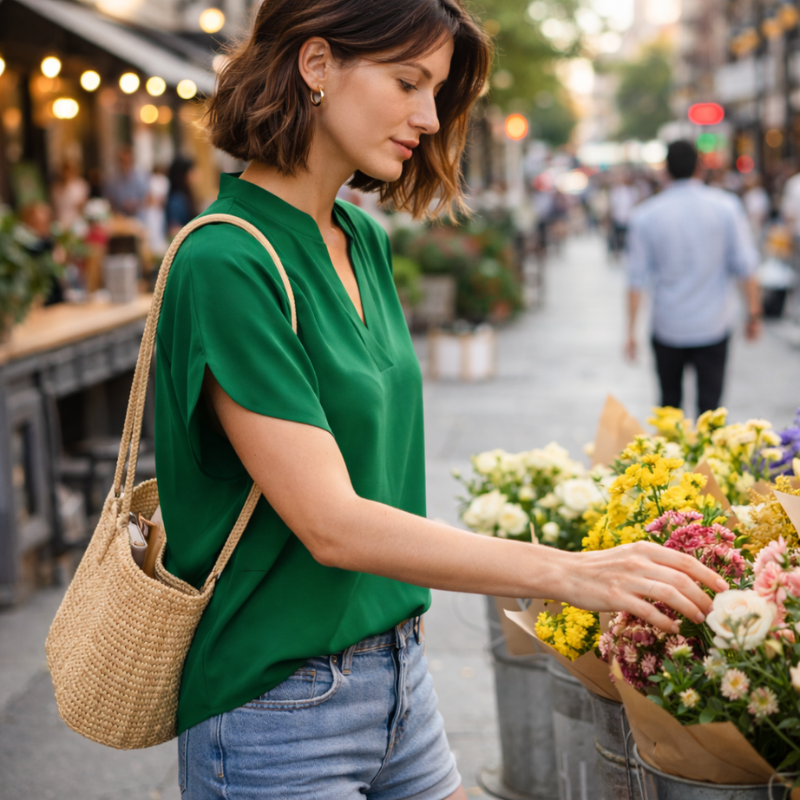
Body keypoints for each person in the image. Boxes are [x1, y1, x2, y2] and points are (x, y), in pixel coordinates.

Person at [155, 6, 729, 799]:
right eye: (407, 82)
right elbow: (332, 524)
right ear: (315, 64)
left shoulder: (363, 240)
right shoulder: (224, 261)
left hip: (399, 680)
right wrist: (568, 572)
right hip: (278, 705)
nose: (428, 118)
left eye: (438, 91)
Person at [625, 140, 762, 416]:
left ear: (666, 170)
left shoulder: (646, 215)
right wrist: (754, 314)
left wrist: (630, 332)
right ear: (700, 167)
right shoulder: (726, 207)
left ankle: (668, 460)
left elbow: (635, 279)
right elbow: (746, 266)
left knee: (669, 412)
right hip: (713, 323)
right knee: (710, 413)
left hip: (668, 323)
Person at [103, 146, 148, 220]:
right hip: (121, 219)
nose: (125, 164)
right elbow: (108, 200)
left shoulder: (141, 177)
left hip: (139, 218)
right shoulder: (111, 181)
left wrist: (135, 204)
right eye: (122, 161)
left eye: (128, 161)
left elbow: (147, 198)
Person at [51, 160, 89, 230]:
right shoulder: (56, 188)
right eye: (65, 171)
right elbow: (55, 208)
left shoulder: (80, 185)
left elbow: (82, 205)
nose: (67, 174)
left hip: (76, 222)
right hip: (60, 222)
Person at [165, 156, 198, 237]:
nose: (195, 174)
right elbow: (174, 231)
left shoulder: (184, 196)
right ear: (183, 175)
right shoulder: (177, 200)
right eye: (191, 171)